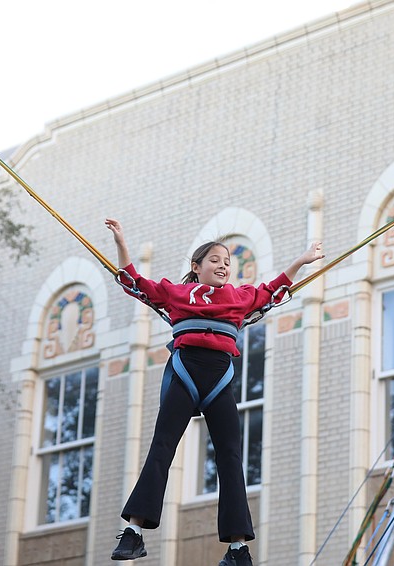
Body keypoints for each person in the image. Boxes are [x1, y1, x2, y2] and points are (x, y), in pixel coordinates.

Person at [106, 218, 323, 566]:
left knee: (230, 457)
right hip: (185, 371)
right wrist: (121, 242)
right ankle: (134, 532)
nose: (223, 265)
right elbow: (133, 282)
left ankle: (238, 548)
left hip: (220, 377)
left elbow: (274, 289)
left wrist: (301, 259)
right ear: (196, 267)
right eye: (215, 260)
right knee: (162, 445)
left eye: (227, 262)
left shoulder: (239, 297)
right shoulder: (175, 293)